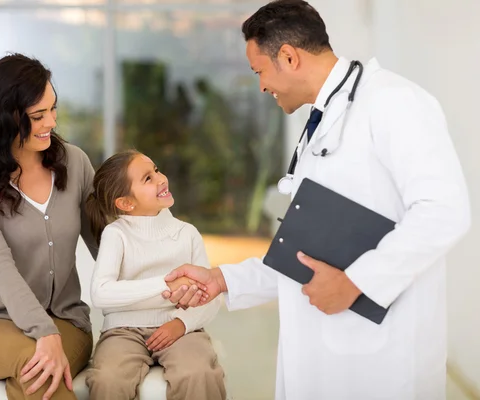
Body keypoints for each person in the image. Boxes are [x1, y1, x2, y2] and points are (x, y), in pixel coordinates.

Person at [163, 1, 471, 399]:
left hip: (379, 361)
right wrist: (224, 280)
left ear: (289, 57)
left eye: (259, 71)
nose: (261, 86)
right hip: (324, 356)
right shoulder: (320, 123)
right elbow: (309, 255)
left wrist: (356, 282)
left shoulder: (394, 101)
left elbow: (444, 211)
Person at [0, 53, 98, 400]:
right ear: (4, 119)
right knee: (37, 366)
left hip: (65, 322)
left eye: (53, 109)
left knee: (39, 374)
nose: (51, 123)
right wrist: (41, 332)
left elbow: (107, 244)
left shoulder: (75, 163)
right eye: (37, 116)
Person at [83, 150, 226, 400]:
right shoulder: (116, 235)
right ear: (126, 203)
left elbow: (211, 296)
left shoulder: (187, 233)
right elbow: (100, 293)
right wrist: (167, 283)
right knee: (108, 380)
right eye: (148, 178)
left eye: (157, 170)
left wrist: (181, 324)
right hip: (122, 331)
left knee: (198, 374)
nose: (161, 178)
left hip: (181, 327)